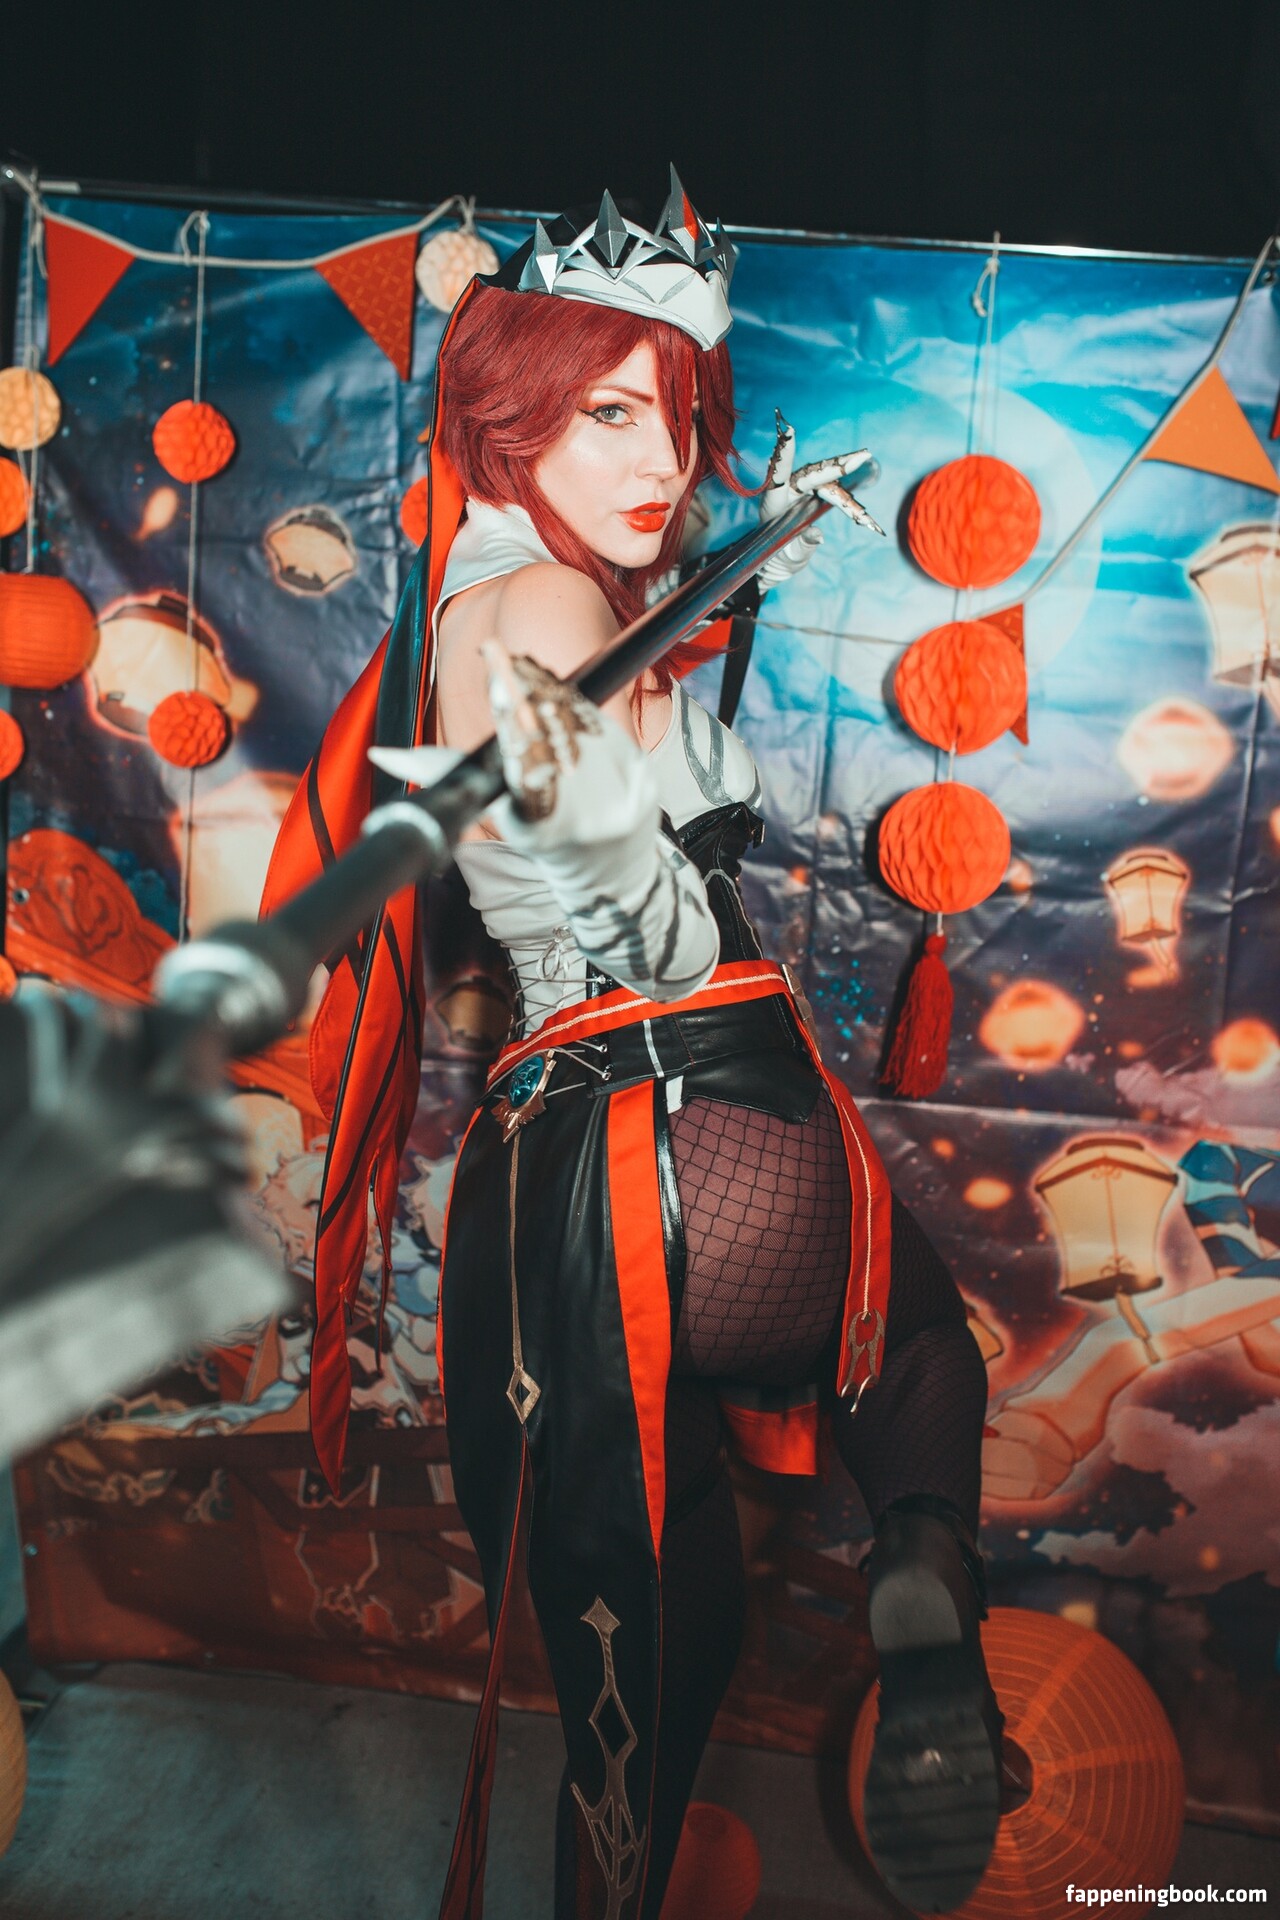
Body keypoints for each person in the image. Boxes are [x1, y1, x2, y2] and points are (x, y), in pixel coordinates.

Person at [263, 175, 1000, 1919]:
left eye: (675, 413)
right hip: (740, 1120)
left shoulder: (543, 599)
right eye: (608, 414)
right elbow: (622, 883)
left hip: (620, 1152)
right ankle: (922, 1575)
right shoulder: (539, 610)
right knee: (916, 1363)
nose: (661, 458)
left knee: (646, 1656)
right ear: (508, 412)